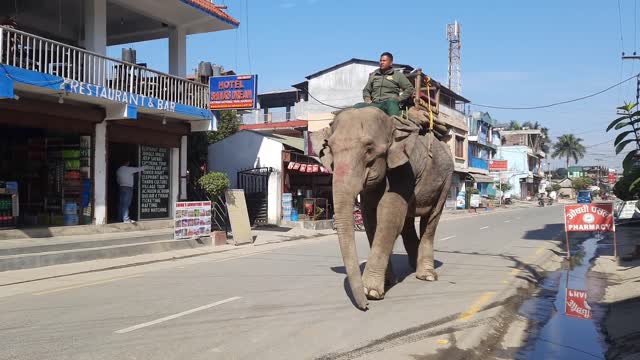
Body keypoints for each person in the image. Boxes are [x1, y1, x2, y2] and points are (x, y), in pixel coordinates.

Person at [354, 52, 414, 116]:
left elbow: (409, 88)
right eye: (380, 60)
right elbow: (366, 90)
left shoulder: (398, 75)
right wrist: (367, 100)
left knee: (392, 107)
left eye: (384, 61)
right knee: (357, 106)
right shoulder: (374, 74)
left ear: (390, 63)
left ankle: (399, 117)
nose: (381, 62)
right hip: (375, 104)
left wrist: (398, 99)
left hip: (389, 103)